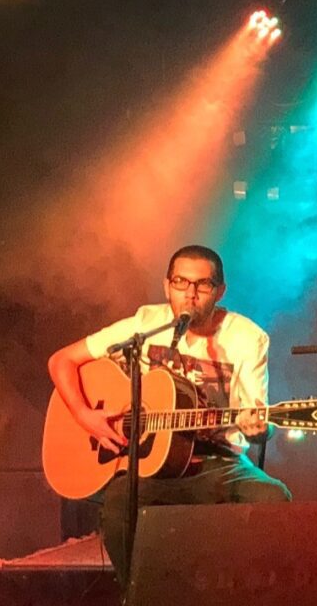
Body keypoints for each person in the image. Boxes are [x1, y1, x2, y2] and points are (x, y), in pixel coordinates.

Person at [47, 244, 291, 588]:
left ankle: (247, 604)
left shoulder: (247, 338)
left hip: (217, 462)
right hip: (151, 465)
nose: (190, 294)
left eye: (202, 285)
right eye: (181, 282)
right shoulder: (145, 324)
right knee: (119, 505)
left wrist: (257, 429)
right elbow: (62, 361)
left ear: (220, 291)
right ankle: (138, 605)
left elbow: (255, 422)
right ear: (167, 286)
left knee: (274, 497)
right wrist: (86, 415)